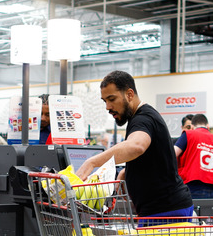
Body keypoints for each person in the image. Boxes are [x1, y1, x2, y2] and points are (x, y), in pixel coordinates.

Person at [76, 70, 192, 224]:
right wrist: (127, 172)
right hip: (162, 208)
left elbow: (136, 146)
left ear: (129, 94)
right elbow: (152, 157)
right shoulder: (142, 117)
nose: (107, 107)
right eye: (104, 101)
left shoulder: (142, 119)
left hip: (164, 211)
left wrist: (91, 163)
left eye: (112, 99)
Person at [174, 113, 213, 199]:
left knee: (192, 212)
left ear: (192, 127)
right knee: (207, 213)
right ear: (208, 126)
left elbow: (171, 155)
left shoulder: (188, 135)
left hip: (190, 187)